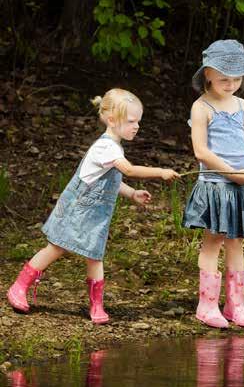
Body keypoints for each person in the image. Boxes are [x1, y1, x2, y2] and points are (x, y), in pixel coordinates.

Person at [7, 88, 180, 324]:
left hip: (97, 214)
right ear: (111, 120)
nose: (136, 126)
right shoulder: (105, 147)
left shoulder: (115, 147)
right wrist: (160, 172)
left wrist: (131, 193)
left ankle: (96, 304)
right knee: (57, 246)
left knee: (95, 255)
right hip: (78, 206)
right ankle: (19, 286)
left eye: (138, 121)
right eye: (131, 121)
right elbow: (128, 170)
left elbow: (111, 180)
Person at [182, 40, 244, 328]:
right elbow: (201, 151)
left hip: (241, 185)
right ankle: (206, 305)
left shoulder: (243, 105)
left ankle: (235, 305)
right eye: (224, 78)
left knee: (236, 243)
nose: (231, 84)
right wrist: (230, 172)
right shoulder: (202, 108)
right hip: (215, 184)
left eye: (237, 78)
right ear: (208, 74)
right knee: (213, 242)